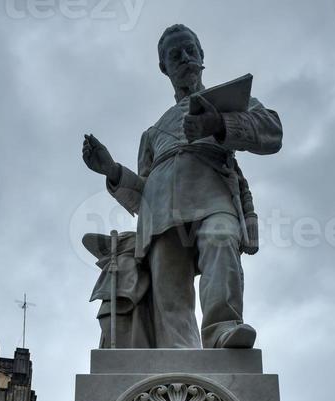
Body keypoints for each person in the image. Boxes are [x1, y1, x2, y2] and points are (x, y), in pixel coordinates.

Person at [82, 24, 282, 350]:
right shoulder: (153, 133)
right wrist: (113, 170)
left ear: (202, 56)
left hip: (213, 197)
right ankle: (177, 356)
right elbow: (142, 195)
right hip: (160, 215)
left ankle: (223, 331)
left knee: (220, 239)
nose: (185, 58)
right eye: (175, 55)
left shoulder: (226, 101)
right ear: (165, 68)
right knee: (168, 287)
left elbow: (272, 131)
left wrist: (219, 123)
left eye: (191, 50)